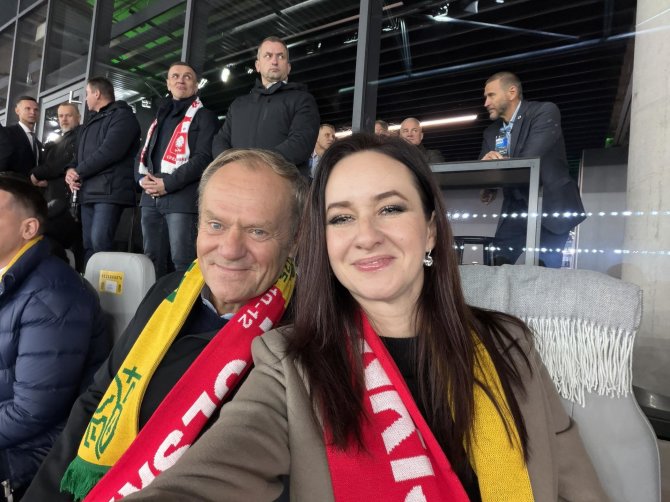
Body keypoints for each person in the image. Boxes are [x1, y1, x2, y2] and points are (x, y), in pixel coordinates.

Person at [121, 134, 606, 501]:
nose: (366, 235)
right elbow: (210, 477)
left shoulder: (510, 347)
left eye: (390, 209)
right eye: (342, 217)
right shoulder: (289, 364)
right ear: (324, 242)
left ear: (431, 229)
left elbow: (577, 487)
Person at [24, 149, 307, 502]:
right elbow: (100, 397)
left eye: (257, 231)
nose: (230, 249)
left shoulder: (309, 335)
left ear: (295, 239)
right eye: (216, 225)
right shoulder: (169, 291)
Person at [0, 175, 110, 500]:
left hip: (35, 449)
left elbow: (33, 412)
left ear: (28, 229)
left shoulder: (53, 296)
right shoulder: (11, 280)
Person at [479, 71, 586, 268]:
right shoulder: (491, 132)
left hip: (551, 205)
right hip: (516, 207)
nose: (486, 103)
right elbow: (484, 168)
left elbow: (530, 159)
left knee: (545, 271)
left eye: (491, 95)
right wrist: (487, 173)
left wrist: (497, 164)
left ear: (512, 92)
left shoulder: (544, 112)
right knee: (498, 265)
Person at [137, 62, 219, 278]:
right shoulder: (158, 118)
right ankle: (157, 300)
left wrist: (168, 183)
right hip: (150, 198)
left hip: (182, 199)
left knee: (183, 262)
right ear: (168, 83)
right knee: (151, 261)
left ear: (196, 85)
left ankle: (184, 302)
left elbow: (204, 158)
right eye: (175, 76)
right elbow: (143, 153)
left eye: (187, 76)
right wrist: (140, 180)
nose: (180, 80)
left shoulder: (205, 116)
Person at [211, 36, 320, 174]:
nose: (274, 61)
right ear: (257, 65)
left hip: (282, 183)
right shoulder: (238, 104)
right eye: (268, 56)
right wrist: (233, 166)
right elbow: (220, 140)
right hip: (236, 180)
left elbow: (300, 144)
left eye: (280, 56)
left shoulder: (303, 100)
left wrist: (252, 165)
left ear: (288, 67)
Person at [65, 77, 141, 265]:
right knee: (88, 244)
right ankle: (91, 282)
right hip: (88, 192)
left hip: (110, 192)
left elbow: (110, 152)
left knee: (100, 243)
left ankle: (106, 283)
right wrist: (70, 170)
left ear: (97, 94)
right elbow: (78, 156)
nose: (85, 99)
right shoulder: (89, 123)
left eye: (87, 94)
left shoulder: (123, 117)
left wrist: (78, 171)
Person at [30, 102, 83, 268]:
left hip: (70, 203)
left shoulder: (80, 136)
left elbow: (63, 162)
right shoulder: (58, 141)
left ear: (78, 117)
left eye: (68, 115)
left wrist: (37, 174)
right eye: (61, 116)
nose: (64, 119)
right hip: (54, 200)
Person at [5, 96, 42, 178]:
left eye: (36, 109)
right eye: (27, 108)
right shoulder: (7, 133)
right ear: (17, 111)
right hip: (9, 184)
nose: (33, 112)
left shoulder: (38, 144)